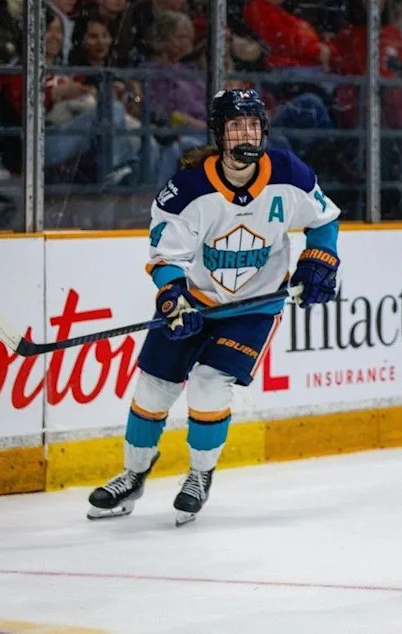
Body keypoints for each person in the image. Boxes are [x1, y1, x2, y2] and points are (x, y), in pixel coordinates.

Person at [86, 88, 342, 526]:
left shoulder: (288, 174)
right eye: (236, 125)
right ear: (218, 134)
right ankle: (133, 475)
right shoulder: (188, 188)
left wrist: (320, 260)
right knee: (153, 388)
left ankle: (199, 476)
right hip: (196, 303)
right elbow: (166, 259)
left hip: (252, 310)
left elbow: (324, 220)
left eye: (253, 124)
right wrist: (173, 297)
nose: (247, 133)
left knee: (208, 384)